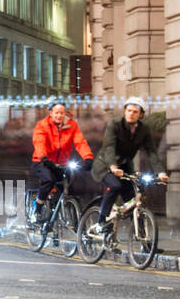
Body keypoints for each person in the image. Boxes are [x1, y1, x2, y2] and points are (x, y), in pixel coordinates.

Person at [90, 97, 169, 234]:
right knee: (115, 186)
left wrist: (161, 172)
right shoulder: (114, 124)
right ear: (125, 111)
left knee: (133, 200)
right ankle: (101, 221)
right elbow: (109, 147)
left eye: (135, 111)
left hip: (125, 167)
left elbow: (151, 152)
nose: (131, 114)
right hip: (105, 165)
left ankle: (145, 243)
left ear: (141, 114)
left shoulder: (144, 130)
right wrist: (113, 167)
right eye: (128, 110)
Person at [30, 100, 93, 223]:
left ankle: (75, 225)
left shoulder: (72, 125)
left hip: (62, 164)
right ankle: (37, 209)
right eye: (56, 113)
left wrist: (88, 157)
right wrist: (44, 157)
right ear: (51, 113)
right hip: (42, 161)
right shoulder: (43, 125)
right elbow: (39, 141)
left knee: (68, 190)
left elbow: (80, 142)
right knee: (49, 180)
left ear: (65, 113)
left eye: (61, 113)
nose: (59, 115)